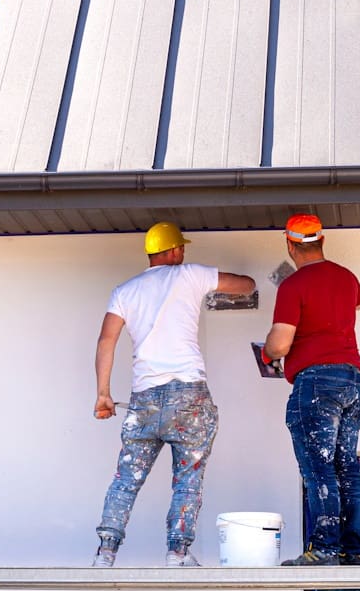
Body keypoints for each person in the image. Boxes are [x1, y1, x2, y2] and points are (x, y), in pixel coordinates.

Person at [92, 221, 256, 568]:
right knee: (188, 476)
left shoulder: (125, 291)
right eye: (181, 248)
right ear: (172, 251)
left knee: (126, 478)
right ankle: (177, 553)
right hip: (188, 397)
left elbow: (106, 340)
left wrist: (103, 394)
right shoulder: (190, 275)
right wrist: (225, 282)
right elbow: (246, 285)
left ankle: (106, 552)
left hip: (144, 399)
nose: (184, 253)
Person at [262, 213, 360, 566]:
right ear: (321, 241)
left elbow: (279, 344)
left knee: (318, 467)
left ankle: (323, 549)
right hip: (351, 380)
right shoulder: (346, 277)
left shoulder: (293, 286)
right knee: (346, 467)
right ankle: (350, 551)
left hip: (316, 383)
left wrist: (267, 351)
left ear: (290, 244)